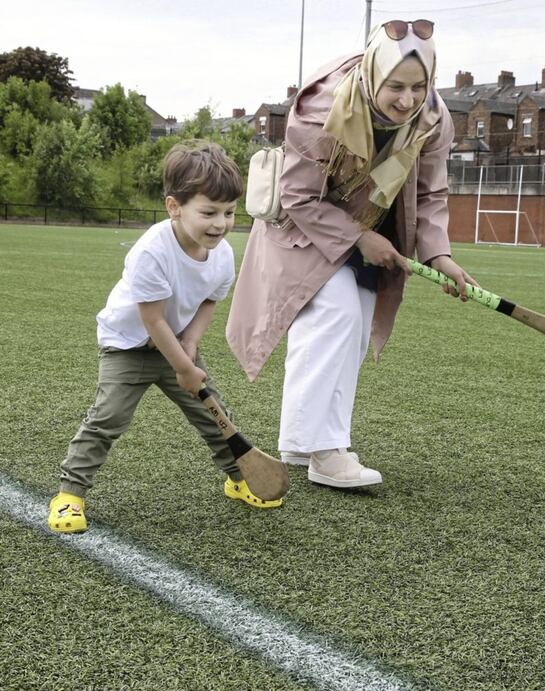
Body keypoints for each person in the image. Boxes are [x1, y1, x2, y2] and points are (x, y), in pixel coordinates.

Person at [227, 19, 476, 489]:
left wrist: (439, 254)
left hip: (373, 221)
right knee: (336, 314)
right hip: (305, 225)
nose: (407, 99)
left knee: (356, 324)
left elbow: (431, 194)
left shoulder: (434, 117)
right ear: (373, 74)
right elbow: (298, 195)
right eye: (396, 86)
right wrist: (361, 239)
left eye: (419, 87)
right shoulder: (323, 107)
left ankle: (301, 443)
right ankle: (326, 453)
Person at [48, 141, 278, 535]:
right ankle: (70, 493)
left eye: (228, 212)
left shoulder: (221, 254)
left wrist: (190, 344)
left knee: (213, 415)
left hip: (176, 342)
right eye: (208, 212)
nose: (220, 224)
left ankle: (238, 479)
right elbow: (152, 320)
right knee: (108, 418)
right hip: (129, 346)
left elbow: (209, 300)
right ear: (175, 207)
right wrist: (185, 370)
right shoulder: (152, 252)